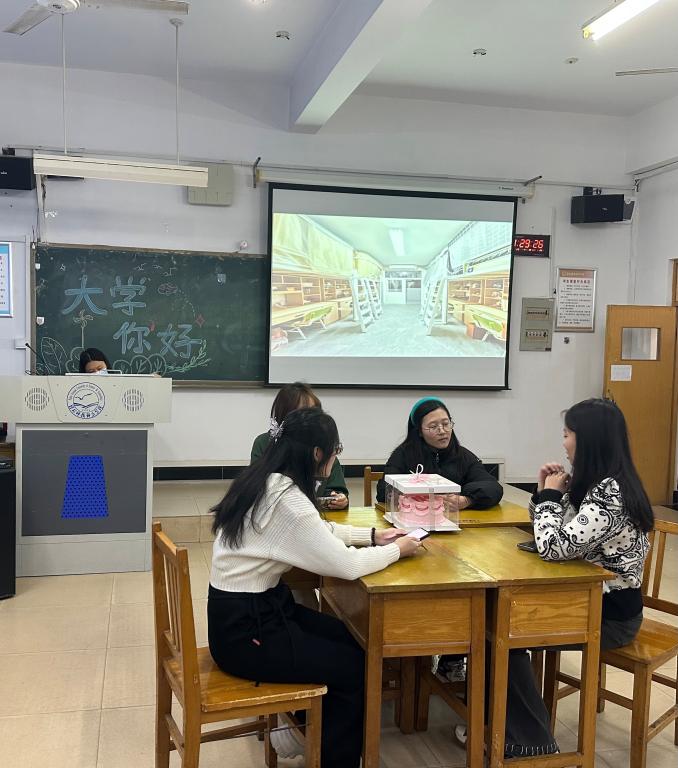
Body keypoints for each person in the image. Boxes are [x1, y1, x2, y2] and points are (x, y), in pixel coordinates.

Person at [208, 407, 420, 768]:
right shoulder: (287, 500)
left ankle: (303, 729)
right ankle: (323, 749)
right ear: (318, 453)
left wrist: (373, 536)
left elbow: (317, 531)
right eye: (336, 449)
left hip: (246, 614)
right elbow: (347, 566)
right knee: (354, 666)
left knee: (349, 637)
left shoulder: (266, 480)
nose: (336, 456)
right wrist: (396, 550)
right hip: (246, 633)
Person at [465, 397, 654, 758]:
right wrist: (544, 493)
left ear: (588, 440)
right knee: (491, 619)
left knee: (504, 632)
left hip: (611, 615)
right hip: (586, 599)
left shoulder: (611, 492)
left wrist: (552, 496)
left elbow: (555, 546)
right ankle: (498, 721)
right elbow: (549, 531)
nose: (563, 442)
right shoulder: (596, 483)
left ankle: (530, 742)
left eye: (567, 434)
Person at [376, 397, 503, 511]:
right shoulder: (403, 455)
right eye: (433, 426)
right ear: (419, 431)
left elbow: (492, 487)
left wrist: (466, 501)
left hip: (456, 524)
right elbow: (383, 492)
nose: (442, 431)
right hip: (414, 523)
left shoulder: (462, 455)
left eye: (446, 424)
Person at [251, 382, 349, 509]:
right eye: (306, 414)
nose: (314, 420)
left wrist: (339, 499)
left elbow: (336, 488)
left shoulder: (324, 447)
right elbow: (259, 490)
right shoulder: (264, 443)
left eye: (315, 413)